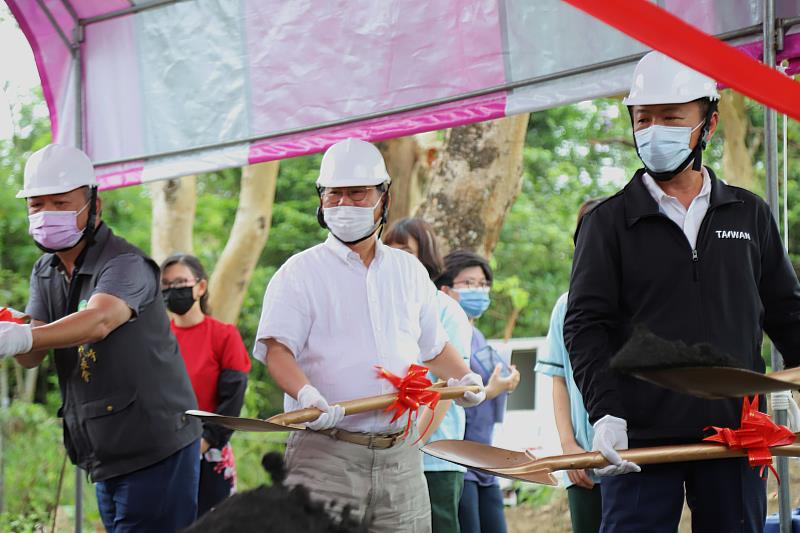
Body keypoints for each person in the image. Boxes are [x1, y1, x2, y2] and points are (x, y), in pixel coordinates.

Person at [563, 51, 800, 532]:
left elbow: (787, 313)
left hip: (734, 436)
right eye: (643, 119)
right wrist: (606, 413)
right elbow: (586, 327)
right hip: (639, 441)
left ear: (709, 123)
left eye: (671, 117)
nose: (654, 131)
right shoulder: (608, 223)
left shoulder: (749, 214)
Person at [253, 138, 486, 533]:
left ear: (384, 198)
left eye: (357, 193)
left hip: (401, 456)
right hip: (325, 454)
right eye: (334, 194)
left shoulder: (408, 271)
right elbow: (277, 351)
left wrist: (464, 378)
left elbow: (434, 347)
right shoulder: (298, 274)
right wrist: (307, 395)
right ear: (321, 199)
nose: (344, 204)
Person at [0, 144, 202, 531]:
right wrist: (12, 325)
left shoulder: (125, 263)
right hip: (105, 451)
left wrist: (22, 337)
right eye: (36, 205)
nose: (46, 215)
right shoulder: (45, 270)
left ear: (95, 204)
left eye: (60, 203)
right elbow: (32, 353)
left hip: (155, 446)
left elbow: (99, 320)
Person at [384, 218, 473, 533]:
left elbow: (448, 387)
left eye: (405, 250)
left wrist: (413, 443)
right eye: (389, 249)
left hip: (434, 457)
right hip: (385, 455)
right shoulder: (383, 307)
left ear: (425, 256)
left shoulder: (446, 309)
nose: (395, 257)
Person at [161, 253, 252, 516]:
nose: (173, 290)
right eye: (166, 285)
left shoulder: (224, 335)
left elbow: (233, 398)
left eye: (181, 282)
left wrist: (206, 441)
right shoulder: (158, 340)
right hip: (163, 453)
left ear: (200, 287)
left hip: (209, 452)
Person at [534, 198, 605, 533]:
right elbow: (559, 379)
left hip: (641, 458)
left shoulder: (648, 301)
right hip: (584, 462)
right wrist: (569, 446)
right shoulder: (566, 305)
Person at [437, 250, 521, 533]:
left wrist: (505, 383)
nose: (479, 291)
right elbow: (444, 392)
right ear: (445, 290)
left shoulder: (478, 336)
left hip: (486, 459)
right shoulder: (440, 336)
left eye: (483, 284)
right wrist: (491, 390)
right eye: (469, 283)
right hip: (458, 456)